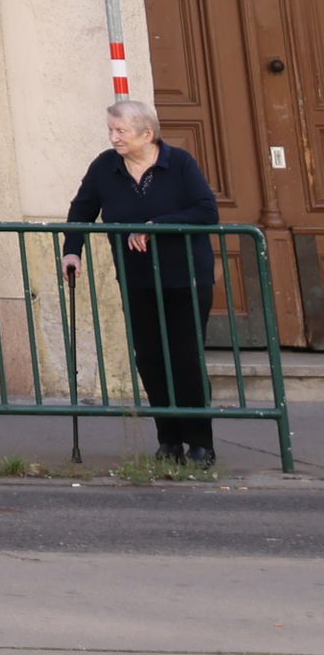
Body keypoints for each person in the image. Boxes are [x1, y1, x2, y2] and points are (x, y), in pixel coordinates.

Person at [65, 95, 222, 464]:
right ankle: (168, 439)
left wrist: (156, 227)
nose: (114, 138)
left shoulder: (178, 163)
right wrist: (72, 249)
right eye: (111, 130)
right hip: (137, 278)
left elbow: (206, 211)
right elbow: (81, 209)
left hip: (186, 277)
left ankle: (201, 442)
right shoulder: (106, 167)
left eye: (121, 131)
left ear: (147, 133)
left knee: (185, 357)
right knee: (149, 358)